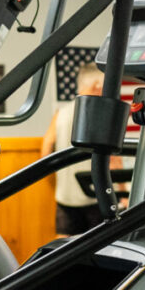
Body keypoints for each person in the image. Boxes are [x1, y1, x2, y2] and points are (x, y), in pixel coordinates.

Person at [42, 64, 107, 236]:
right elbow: (111, 159)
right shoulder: (99, 114)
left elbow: (46, 148)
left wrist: (59, 179)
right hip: (94, 198)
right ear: (97, 85)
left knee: (63, 249)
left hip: (65, 198)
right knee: (101, 251)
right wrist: (122, 194)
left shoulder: (61, 113)